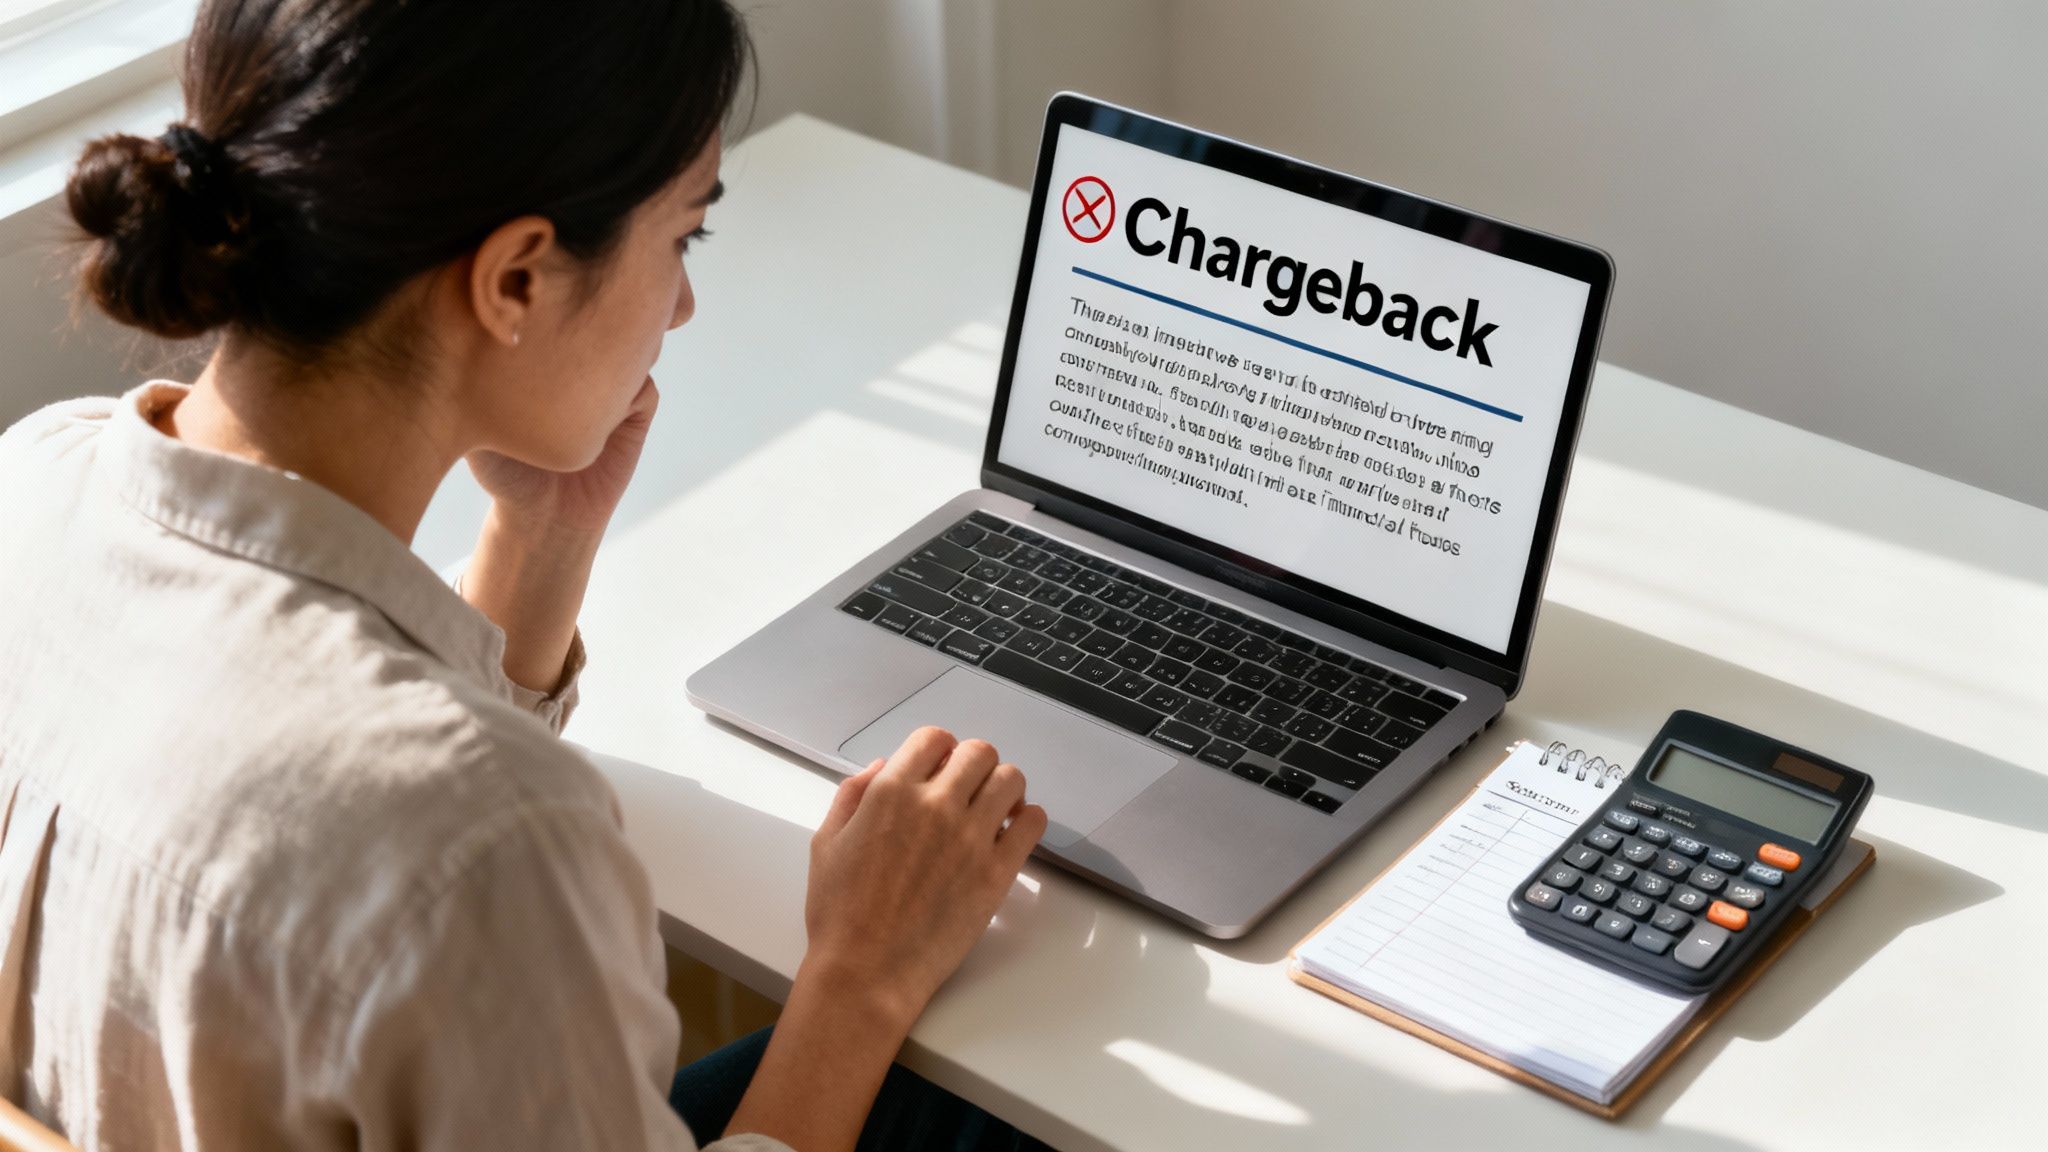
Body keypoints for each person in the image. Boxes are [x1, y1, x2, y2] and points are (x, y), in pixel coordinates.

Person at [0, 1, 1052, 1149]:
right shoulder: (491, 849)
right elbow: (434, 829)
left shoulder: (34, 480)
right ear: (514, 281)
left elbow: (361, 777)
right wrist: (861, 974)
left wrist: (541, 538)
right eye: (682, 239)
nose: (684, 304)